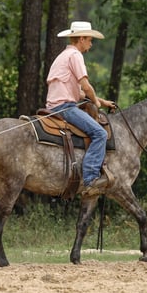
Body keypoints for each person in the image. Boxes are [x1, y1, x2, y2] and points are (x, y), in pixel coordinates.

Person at [45, 21, 116, 195]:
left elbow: (79, 93)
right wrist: (96, 103)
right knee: (100, 133)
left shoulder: (63, 56)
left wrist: (102, 101)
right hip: (65, 107)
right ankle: (90, 180)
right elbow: (86, 86)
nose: (91, 45)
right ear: (82, 39)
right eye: (90, 40)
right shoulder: (75, 56)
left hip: (55, 105)